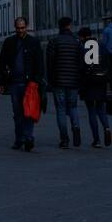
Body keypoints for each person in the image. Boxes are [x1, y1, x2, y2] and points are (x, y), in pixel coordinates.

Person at [0, 16, 44, 152]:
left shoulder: (33, 42)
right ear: (15, 28)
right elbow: (2, 63)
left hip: (29, 84)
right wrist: (1, 81)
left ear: (27, 27)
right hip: (14, 83)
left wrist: (36, 80)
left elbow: (39, 63)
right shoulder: (9, 42)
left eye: (22, 28)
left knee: (28, 112)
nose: (20, 30)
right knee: (17, 112)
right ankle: (19, 138)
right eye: (18, 28)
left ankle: (28, 138)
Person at [46, 16, 83, 149]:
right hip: (73, 81)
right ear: (69, 26)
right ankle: (76, 126)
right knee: (73, 107)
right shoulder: (77, 42)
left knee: (61, 109)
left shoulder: (54, 41)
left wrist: (50, 80)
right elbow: (80, 63)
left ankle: (65, 139)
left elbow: (49, 63)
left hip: (58, 81)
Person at [78, 26, 112, 148]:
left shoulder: (82, 47)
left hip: (88, 82)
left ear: (81, 37)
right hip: (100, 80)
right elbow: (108, 62)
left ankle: (96, 140)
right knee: (101, 109)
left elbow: (80, 66)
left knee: (91, 111)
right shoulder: (101, 45)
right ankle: (106, 127)